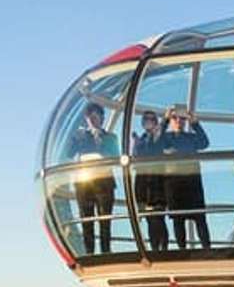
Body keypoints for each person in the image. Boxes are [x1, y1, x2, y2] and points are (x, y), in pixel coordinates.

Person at [63, 102, 120, 254]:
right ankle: (89, 252)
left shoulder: (111, 138)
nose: (92, 119)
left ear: (101, 117)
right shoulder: (79, 136)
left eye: (95, 116)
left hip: (105, 183)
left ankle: (106, 252)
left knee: (105, 221)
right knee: (86, 220)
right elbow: (69, 154)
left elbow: (116, 157)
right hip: (84, 183)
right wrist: (74, 137)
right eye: (89, 117)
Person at [154, 106, 212, 250]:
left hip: (192, 183)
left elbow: (204, 143)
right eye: (175, 118)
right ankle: (182, 250)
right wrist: (165, 120)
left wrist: (195, 123)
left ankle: (207, 249)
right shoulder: (165, 138)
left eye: (182, 118)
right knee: (178, 220)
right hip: (173, 184)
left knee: (200, 218)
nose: (179, 120)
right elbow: (156, 143)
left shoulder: (191, 137)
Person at [131, 111, 169, 252]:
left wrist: (165, 119)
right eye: (146, 120)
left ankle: (163, 249)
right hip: (143, 185)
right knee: (149, 220)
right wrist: (135, 144)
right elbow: (135, 161)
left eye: (152, 120)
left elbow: (159, 137)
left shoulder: (158, 137)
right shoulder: (141, 140)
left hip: (157, 185)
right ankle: (155, 249)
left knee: (158, 218)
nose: (149, 122)